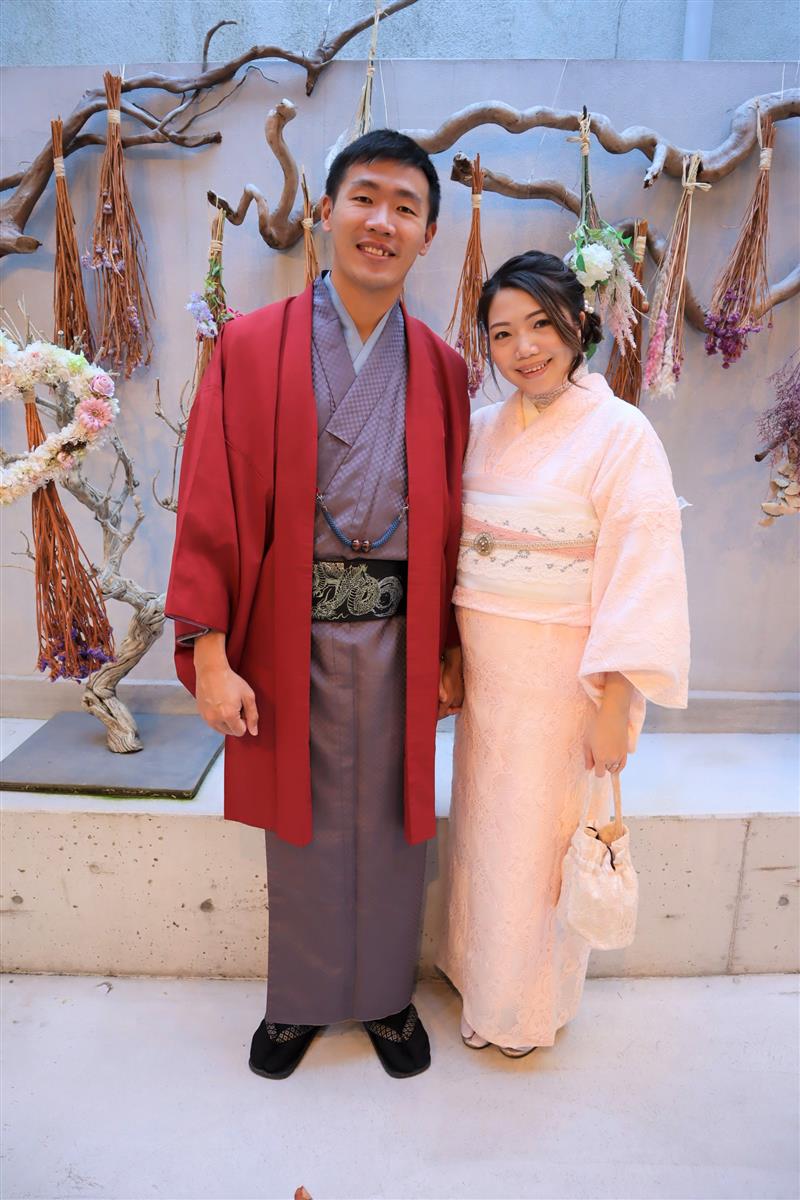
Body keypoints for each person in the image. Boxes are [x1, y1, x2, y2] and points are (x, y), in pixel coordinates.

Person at [166, 130, 469, 1080]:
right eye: (365, 198)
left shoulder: (444, 366)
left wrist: (451, 646)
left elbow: (454, 523)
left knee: (393, 823)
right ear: (327, 211)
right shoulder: (252, 346)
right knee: (298, 828)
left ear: (427, 234)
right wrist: (209, 652)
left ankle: (385, 998)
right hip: (286, 636)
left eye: (406, 207)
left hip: (400, 635)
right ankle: (298, 1001)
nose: (383, 222)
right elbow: (210, 501)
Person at [438, 250, 689, 1056]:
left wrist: (617, 704)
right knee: (485, 832)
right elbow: (457, 550)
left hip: (563, 679)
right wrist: (451, 653)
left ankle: (522, 1010)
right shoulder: (484, 429)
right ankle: (479, 978)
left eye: (541, 324)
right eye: (502, 333)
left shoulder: (622, 434)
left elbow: (642, 570)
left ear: (579, 322)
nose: (524, 348)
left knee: (540, 846)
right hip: (491, 674)